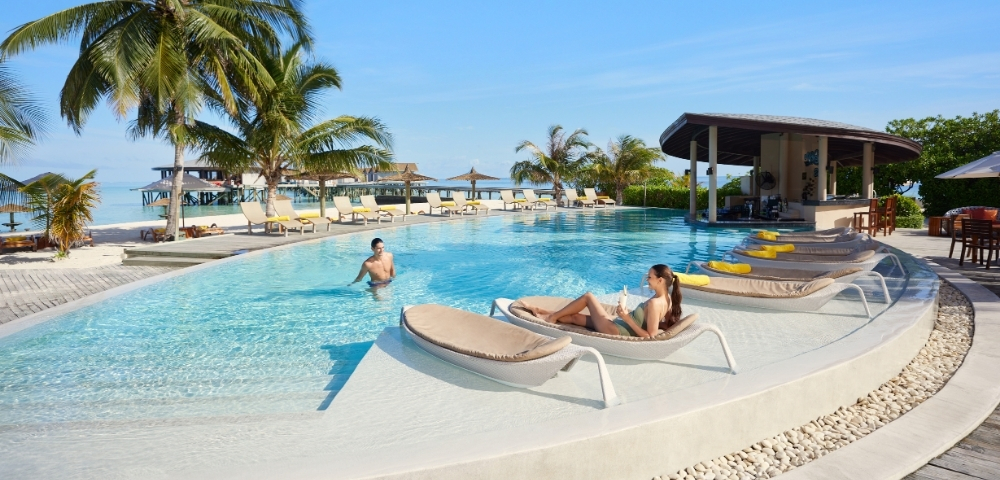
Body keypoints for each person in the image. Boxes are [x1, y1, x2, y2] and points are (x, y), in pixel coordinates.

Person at [520, 264, 683, 337]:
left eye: (650, 277)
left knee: (588, 297)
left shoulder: (655, 303)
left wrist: (627, 318)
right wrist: (628, 317)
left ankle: (551, 317)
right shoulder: (667, 299)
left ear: (660, 280)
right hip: (619, 323)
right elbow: (663, 324)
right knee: (575, 317)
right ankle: (541, 311)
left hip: (616, 329)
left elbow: (650, 336)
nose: (647, 279)